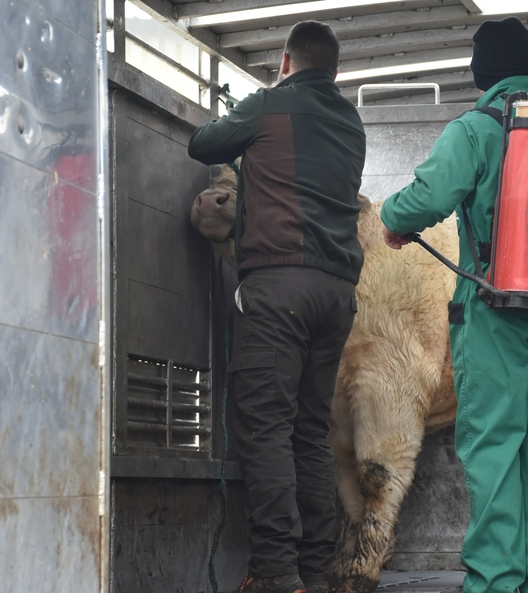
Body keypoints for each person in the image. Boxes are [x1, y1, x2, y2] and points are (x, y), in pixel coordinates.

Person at [380, 16, 528, 593]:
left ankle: (496, 584)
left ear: (482, 73)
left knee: (495, 446)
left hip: (496, 313)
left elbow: (428, 196)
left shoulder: (477, 127)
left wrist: (392, 219)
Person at [188, 20, 366, 593]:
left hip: (280, 287)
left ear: (286, 63)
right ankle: (312, 573)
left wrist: (255, 101)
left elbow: (203, 144)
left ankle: (273, 573)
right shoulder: (351, 122)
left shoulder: (268, 105)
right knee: (309, 433)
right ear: (334, 71)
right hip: (336, 294)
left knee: (265, 429)